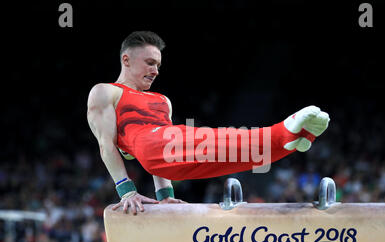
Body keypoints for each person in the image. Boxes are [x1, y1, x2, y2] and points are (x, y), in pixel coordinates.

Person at [87, 31, 330, 215]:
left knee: (231, 157)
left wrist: (165, 197)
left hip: (167, 152)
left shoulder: (162, 100)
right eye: (150, 63)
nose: (156, 71)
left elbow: (161, 158)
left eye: (159, 65)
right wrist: (126, 190)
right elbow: (105, 145)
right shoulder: (106, 92)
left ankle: (291, 140)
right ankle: (283, 132)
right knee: (212, 138)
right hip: (148, 144)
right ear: (126, 60)